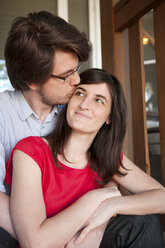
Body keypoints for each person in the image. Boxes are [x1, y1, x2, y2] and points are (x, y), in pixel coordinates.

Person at [5, 69, 165, 248]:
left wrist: (111, 206)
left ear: (109, 117)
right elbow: (35, 243)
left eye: (98, 100)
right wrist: (97, 197)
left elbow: (162, 198)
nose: (84, 105)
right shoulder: (31, 151)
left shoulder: (107, 158)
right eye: (80, 93)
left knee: (144, 223)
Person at [0, 10, 91, 247]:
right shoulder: (3, 113)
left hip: (73, 216)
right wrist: (46, 237)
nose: (77, 81)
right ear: (32, 80)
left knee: (139, 224)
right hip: (20, 228)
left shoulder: (75, 110)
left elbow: (105, 164)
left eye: (77, 68)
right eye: (66, 75)